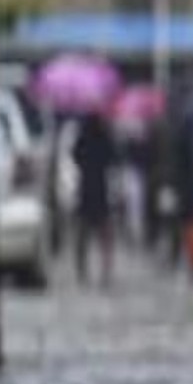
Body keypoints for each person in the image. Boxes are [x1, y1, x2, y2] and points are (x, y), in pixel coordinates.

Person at [71, 112, 117, 286]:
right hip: (99, 189)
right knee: (102, 234)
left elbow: (74, 155)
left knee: (84, 234)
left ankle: (84, 270)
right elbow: (112, 157)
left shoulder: (82, 135)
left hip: (86, 189)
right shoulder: (104, 135)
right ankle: (103, 271)